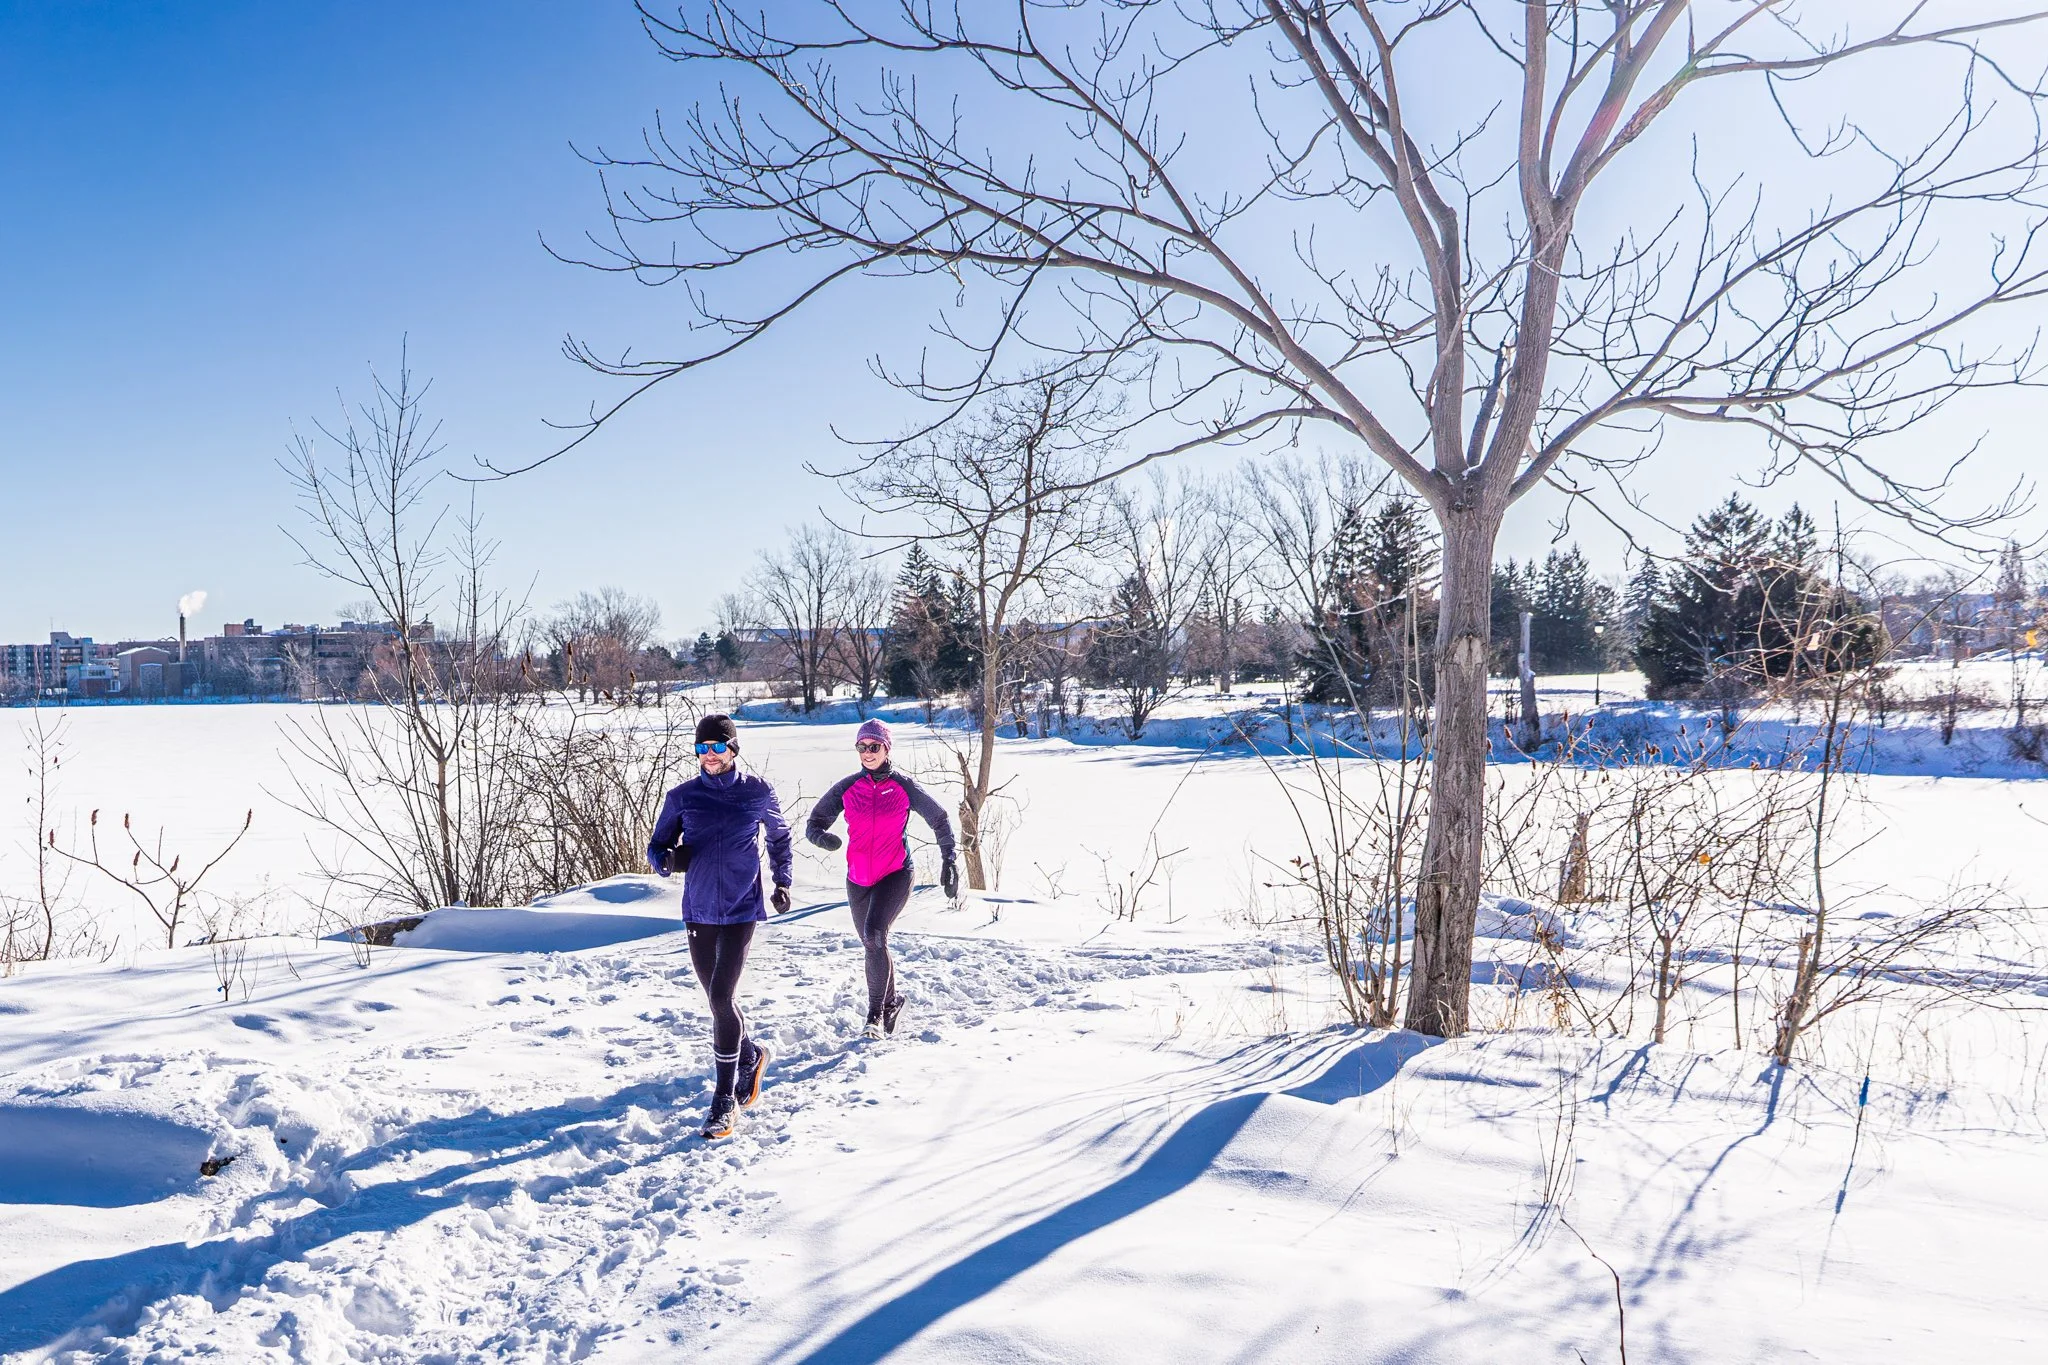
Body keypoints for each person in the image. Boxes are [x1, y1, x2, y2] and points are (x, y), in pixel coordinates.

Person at [647, 713, 793, 1140]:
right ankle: (750, 1055)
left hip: (741, 908)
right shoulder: (682, 796)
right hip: (698, 911)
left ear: (733, 749)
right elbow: (657, 845)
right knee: (717, 1002)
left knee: (721, 996)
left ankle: (724, 1100)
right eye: (701, 748)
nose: (709, 755)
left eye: (716, 747)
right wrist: (665, 862)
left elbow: (779, 837)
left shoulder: (757, 792)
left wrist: (782, 881)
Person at [805, 718, 958, 1040]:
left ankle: (874, 1016)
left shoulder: (904, 786)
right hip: (858, 878)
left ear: (887, 748)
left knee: (874, 935)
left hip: (896, 872)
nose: (867, 752)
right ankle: (892, 1003)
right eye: (861, 746)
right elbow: (815, 821)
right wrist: (822, 838)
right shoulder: (848, 787)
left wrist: (949, 859)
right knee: (872, 942)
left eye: (874, 746)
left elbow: (939, 819)